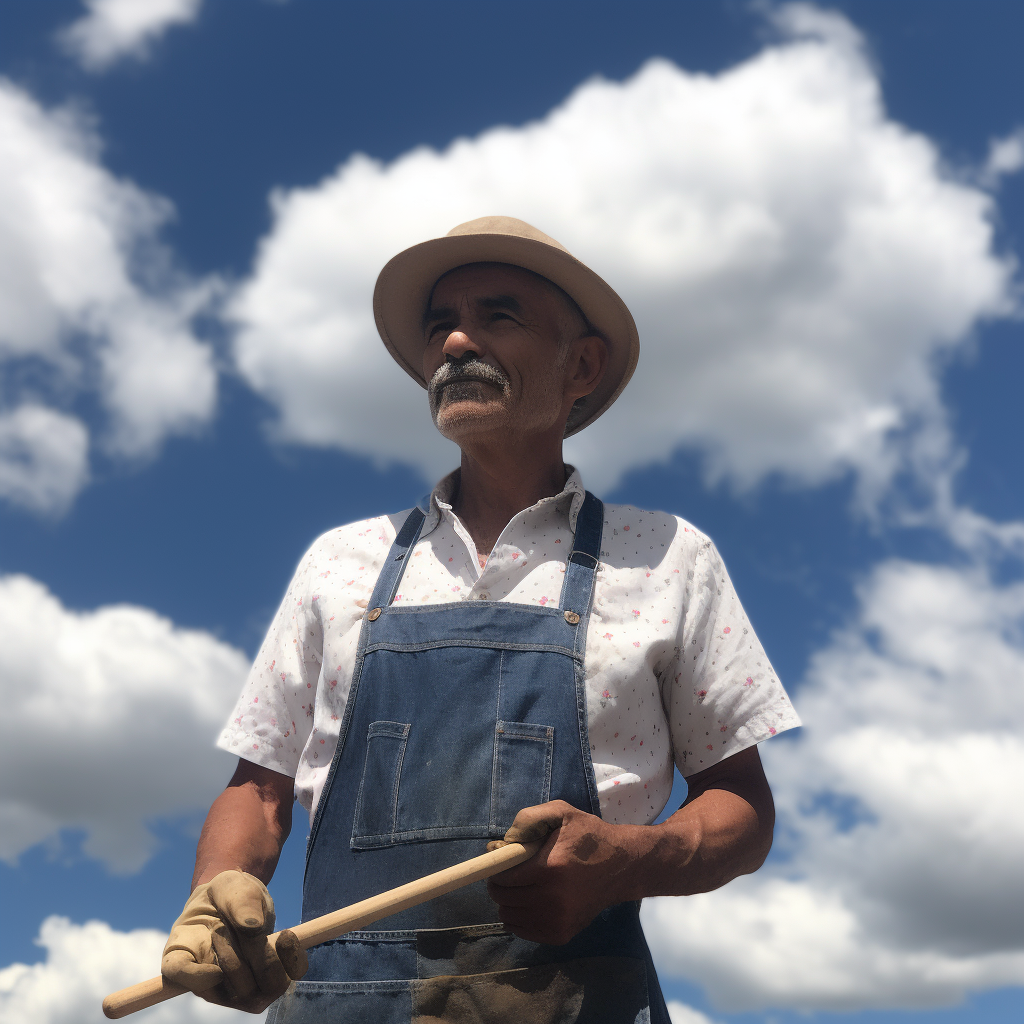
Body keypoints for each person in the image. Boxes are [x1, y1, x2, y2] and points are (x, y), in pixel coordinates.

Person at [162, 217, 801, 1023]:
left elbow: (741, 808)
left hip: (577, 1003)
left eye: (499, 315)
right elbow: (258, 790)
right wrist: (218, 897)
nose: (457, 339)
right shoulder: (339, 561)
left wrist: (630, 858)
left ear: (583, 364)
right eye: (441, 324)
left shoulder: (668, 555)